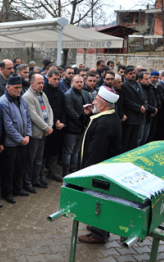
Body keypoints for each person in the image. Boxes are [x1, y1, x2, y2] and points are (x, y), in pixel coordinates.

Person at [78, 86, 121, 244]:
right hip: (101, 170)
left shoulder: (105, 123)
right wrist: (87, 115)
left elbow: (96, 152)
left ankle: (99, 234)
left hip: (98, 172)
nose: (92, 102)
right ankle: (97, 226)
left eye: (95, 100)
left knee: (98, 198)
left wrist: (86, 174)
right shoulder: (106, 116)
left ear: (102, 105)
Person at [0, 74, 32, 203]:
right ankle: (7, 193)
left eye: (20, 87)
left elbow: (27, 118)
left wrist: (28, 135)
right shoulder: (3, 102)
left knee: (19, 168)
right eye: (16, 87)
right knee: (9, 170)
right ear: (8, 87)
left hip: (23, 140)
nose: (18, 90)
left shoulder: (21, 99)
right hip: (10, 143)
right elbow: (8, 125)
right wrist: (20, 139)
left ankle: (17, 188)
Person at [23, 74, 53, 191]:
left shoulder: (43, 94)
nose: (41, 85)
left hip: (44, 132)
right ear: (32, 83)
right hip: (35, 134)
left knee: (39, 159)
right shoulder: (27, 96)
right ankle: (27, 182)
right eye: (39, 83)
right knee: (30, 160)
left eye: (42, 83)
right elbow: (33, 116)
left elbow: (49, 109)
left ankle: (35, 180)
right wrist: (46, 128)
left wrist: (49, 125)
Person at [62, 75, 92, 175]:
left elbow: (90, 108)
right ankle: (66, 172)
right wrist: (81, 122)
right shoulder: (68, 95)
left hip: (82, 127)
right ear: (72, 83)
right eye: (77, 82)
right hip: (72, 128)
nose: (79, 84)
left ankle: (74, 171)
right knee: (68, 151)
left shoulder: (85, 93)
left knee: (76, 151)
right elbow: (71, 112)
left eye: (81, 82)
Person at [43, 70, 66, 182]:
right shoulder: (44, 90)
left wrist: (63, 122)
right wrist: (55, 121)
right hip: (48, 125)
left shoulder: (59, 90)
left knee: (55, 150)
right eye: (54, 79)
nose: (57, 81)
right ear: (48, 78)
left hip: (59, 126)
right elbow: (47, 108)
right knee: (44, 151)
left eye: (58, 79)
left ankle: (53, 172)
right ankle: (41, 173)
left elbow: (63, 107)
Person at [121, 67, 145, 152]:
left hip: (138, 116)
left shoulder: (137, 84)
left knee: (134, 141)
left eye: (134, 73)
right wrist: (138, 108)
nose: (133, 75)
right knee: (126, 140)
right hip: (129, 116)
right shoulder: (124, 85)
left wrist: (143, 106)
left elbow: (142, 98)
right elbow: (126, 101)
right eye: (130, 73)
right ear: (125, 75)